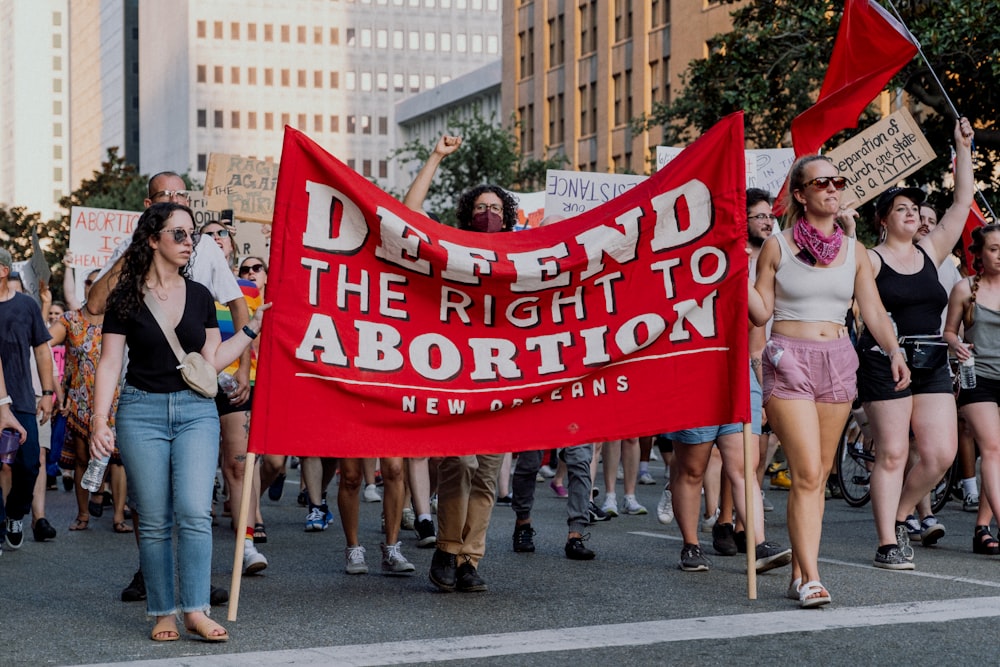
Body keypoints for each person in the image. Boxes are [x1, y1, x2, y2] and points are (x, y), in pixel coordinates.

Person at [90, 202, 268, 642]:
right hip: (141, 411)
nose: (190, 242)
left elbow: (210, 364)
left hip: (195, 412)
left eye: (193, 235)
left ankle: (195, 609)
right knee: (152, 520)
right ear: (153, 240)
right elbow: (110, 363)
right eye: (180, 234)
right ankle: (162, 611)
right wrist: (99, 419)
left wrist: (251, 330)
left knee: (194, 512)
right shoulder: (126, 296)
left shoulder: (202, 296)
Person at [750, 156, 909, 608]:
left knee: (819, 477)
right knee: (806, 473)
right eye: (821, 182)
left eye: (838, 180)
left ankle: (800, 568)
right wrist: (733, 274)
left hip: (839, 358)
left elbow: (873, 311)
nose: (832, 187)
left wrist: (894, 351)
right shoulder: (777, 246)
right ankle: (812, 578)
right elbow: (761, 312)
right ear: (801, 195)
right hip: (789, 358)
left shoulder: (855, 251)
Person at [859, 117, 974, 570]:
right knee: (893, 452)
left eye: (915, 209)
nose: (913, 214)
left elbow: (962, 201)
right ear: (883, 219)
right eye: (902, 208)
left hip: (930, 359)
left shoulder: (931, 252)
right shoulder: (867, 258)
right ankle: (888, 542)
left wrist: (962, 148)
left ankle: (902, 514)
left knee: (941, 453)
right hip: (884, 359)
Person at [403, 133, 513, 592]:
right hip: (457, 372)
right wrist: (435, 157)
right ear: (467, 215)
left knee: (487, 472)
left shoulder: (522, 255)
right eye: (481, 208)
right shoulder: (450, 248)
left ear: (508, 218)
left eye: (497, 209)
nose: (489, 214)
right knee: (460, 463)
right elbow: (406, 213)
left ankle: (469, 560)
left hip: (504, 376)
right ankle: (447, 548)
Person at [200, 219, 268, 574]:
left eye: (221, 233)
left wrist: (243, 370)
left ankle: (247, 545)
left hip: (237, 384)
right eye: (207, 234)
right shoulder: (188, 284)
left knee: (239, 465)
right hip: (196, 384)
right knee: (197, 469)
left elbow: (255, 335)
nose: (215, 238)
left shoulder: (249, 287)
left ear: (232, 244)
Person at [48, 268, 127, 533]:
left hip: (117, 398)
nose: (98, 287)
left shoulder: (120, 319)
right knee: (83, 458)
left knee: (118, 459)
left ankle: (118, 517)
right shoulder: (71, 320)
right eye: (91, 282)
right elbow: (43, 343)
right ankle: (83, 514)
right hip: (81, 400)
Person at [944, 224, 1000, 556]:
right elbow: (949, 331)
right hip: (978, 377)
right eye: (993, 248)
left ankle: (982, 529)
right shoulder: (965, 289)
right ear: (978, 254)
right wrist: (958, 345)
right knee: (991, 449)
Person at [0, 248, 56, 552]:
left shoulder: (26, 306)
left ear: (3, 271)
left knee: (30, 462)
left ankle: (14, 514)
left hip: (21, 396)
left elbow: (42, 350)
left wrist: (47, 393)